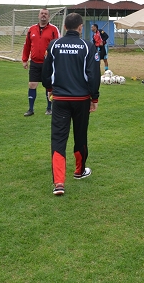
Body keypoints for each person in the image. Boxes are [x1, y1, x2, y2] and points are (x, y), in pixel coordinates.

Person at [42, 13, 100, 196]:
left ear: (65, 27)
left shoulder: (54, 45)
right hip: (81, 100)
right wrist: (94, 98)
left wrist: (49, 89)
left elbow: (46, 71)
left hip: (60, 100)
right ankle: (79, 171)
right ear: (80, 27)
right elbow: (93, 75)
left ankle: (59, 183)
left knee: (58, 139)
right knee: (80, 135)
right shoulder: (87, 46)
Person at [21, 8, 60, 117]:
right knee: (32, 84)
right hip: (34, 62)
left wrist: (57, 61)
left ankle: (49, 108)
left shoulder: (53, 29)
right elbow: (27, 45)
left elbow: (58, 45)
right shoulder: (31, 29)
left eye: (45, 14)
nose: (43, 15)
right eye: (42, 13)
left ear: (49, 16)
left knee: (48, 86)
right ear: (38, 16)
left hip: (48, 63)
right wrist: (24, 59)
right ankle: (30, 109)